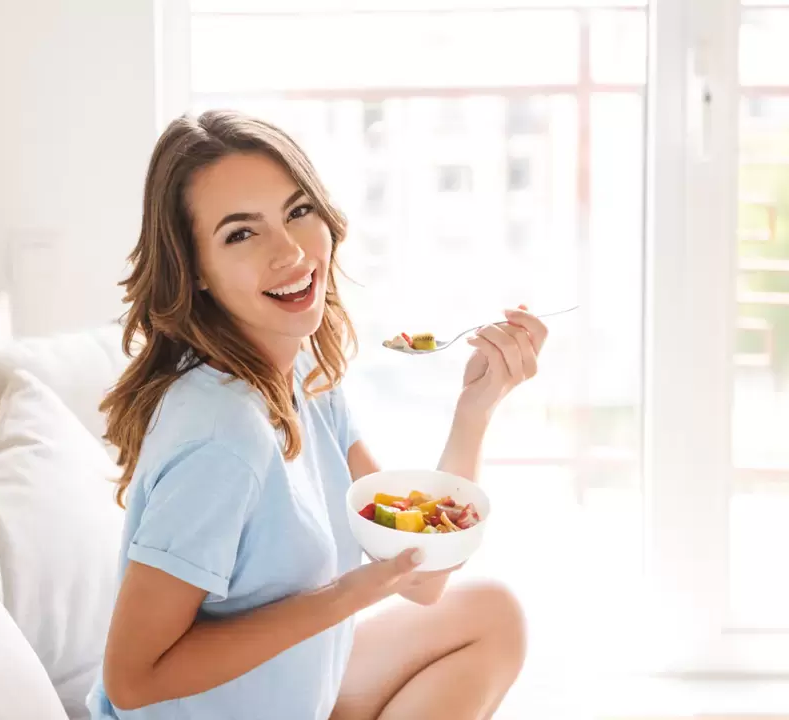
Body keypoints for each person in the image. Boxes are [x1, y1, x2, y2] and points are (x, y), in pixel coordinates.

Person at [87, 109, 549, 720]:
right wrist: (345, 596)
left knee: (491, 616)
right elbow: (131, 680)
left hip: (293, 697)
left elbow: (420, 576)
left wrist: (475, 412)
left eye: (298, 211)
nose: (290, 251)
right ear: (194, 269)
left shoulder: (302, 371)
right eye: (241, 233)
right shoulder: (223, 436)